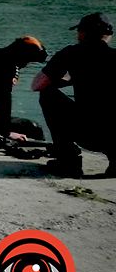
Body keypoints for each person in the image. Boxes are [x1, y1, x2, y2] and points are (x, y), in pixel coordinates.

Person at [31, 12, 116, 178]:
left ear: (82, 33)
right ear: (109, 35)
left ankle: (68, 160)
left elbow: (37, 85)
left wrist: (71, 78)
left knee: (47, 94)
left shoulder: (71, 53)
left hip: (89, 133)